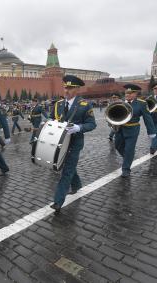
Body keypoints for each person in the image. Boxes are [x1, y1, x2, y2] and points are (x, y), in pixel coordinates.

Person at [50, 75, 96, 215]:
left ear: (77, 89)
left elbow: (92, 124)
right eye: (65, 87)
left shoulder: (84, 105)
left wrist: (79, 128)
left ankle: (58, 201)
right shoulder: (58, 104)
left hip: (75, 142)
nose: (66, 90)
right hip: (60, 142)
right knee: (67, 165)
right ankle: (77, 185)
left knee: (67, 170)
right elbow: (52, 120)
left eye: (70, 88)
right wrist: (46, 124)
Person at [114, 84, 156, 177]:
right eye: (126, 93)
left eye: (130, 93)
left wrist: (151, 132)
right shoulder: (120, 102)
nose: (127, 94)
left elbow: (147, 118)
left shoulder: (141, 103)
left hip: (133, 129)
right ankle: (128, 158)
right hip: (120, 129)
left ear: (136, 93)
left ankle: (126, 169)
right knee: (117, 146)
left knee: (129, 149)